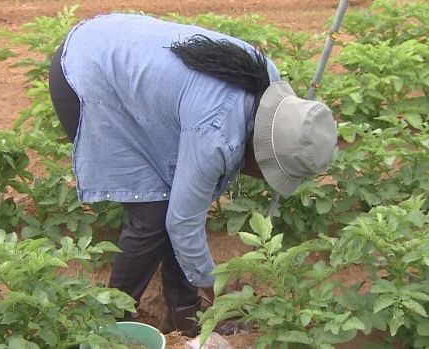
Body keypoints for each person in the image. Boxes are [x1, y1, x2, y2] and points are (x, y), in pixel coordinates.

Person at [49, 13, 337, 336]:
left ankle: (184, 315)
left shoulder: (266, 85)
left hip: (115, 43)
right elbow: (181, 222)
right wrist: (220, 290)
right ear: (261, 150)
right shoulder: (215, 132)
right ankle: (106, 326)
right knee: (153, 214)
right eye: (269, 168)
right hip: (85, 74)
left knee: (175, 195)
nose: (261, 176)